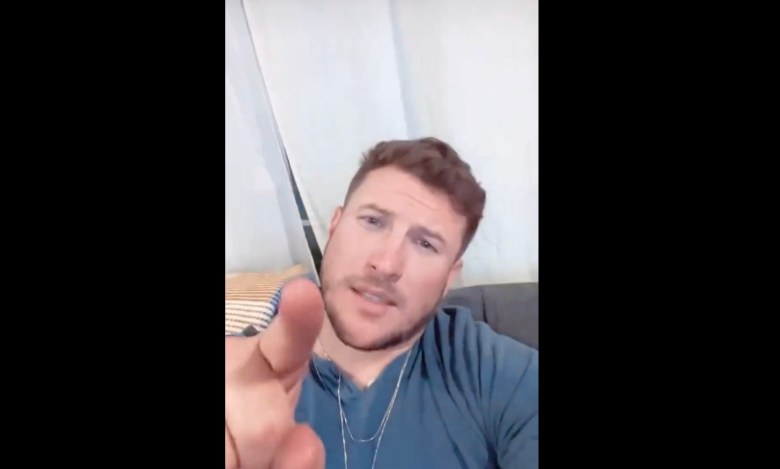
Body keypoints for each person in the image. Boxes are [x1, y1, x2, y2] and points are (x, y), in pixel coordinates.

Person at [225, 137, 538, 469]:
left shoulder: (503, 376)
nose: (387, 264)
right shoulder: (244, 377)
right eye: (373, 221)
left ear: (450, 276)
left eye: (426, 244)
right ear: (335, 226)